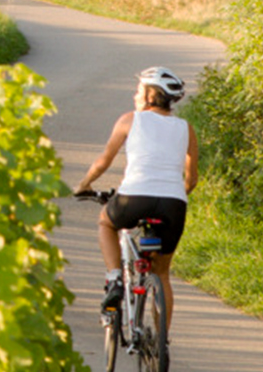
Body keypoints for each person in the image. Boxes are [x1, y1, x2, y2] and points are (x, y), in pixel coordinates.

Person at [72, 67, 199, 348]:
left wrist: (83, 185)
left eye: (139, 90)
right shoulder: (186, 129)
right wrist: (177, 192)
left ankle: (115, 277)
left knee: (106, 223)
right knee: (161, 273)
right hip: (173, 205)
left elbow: (103, 162)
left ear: (151, 96)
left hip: (133, 198)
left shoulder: (130, 120)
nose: (135, 95)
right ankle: (161, 341)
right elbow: (192, 179)